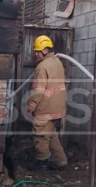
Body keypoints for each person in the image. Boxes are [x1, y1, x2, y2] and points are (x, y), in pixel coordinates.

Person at [27, 35, 68, 171]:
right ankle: (60, 160)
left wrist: (31, 105)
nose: (36, 54)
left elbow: (38, 91)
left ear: (45, 50)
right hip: (58, 108)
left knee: (41, 136)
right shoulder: (58, 62)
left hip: (45, 108)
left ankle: (41, 161)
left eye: (38, 51)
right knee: (51, 133)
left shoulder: (42, 67)